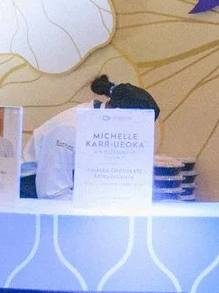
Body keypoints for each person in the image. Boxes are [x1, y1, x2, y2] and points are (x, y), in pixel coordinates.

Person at [31, 75, 159, 201]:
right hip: (30, 193)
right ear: (118, 112)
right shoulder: (69, 128)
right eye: (136, 128)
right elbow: (51, 194)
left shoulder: (110, 129)